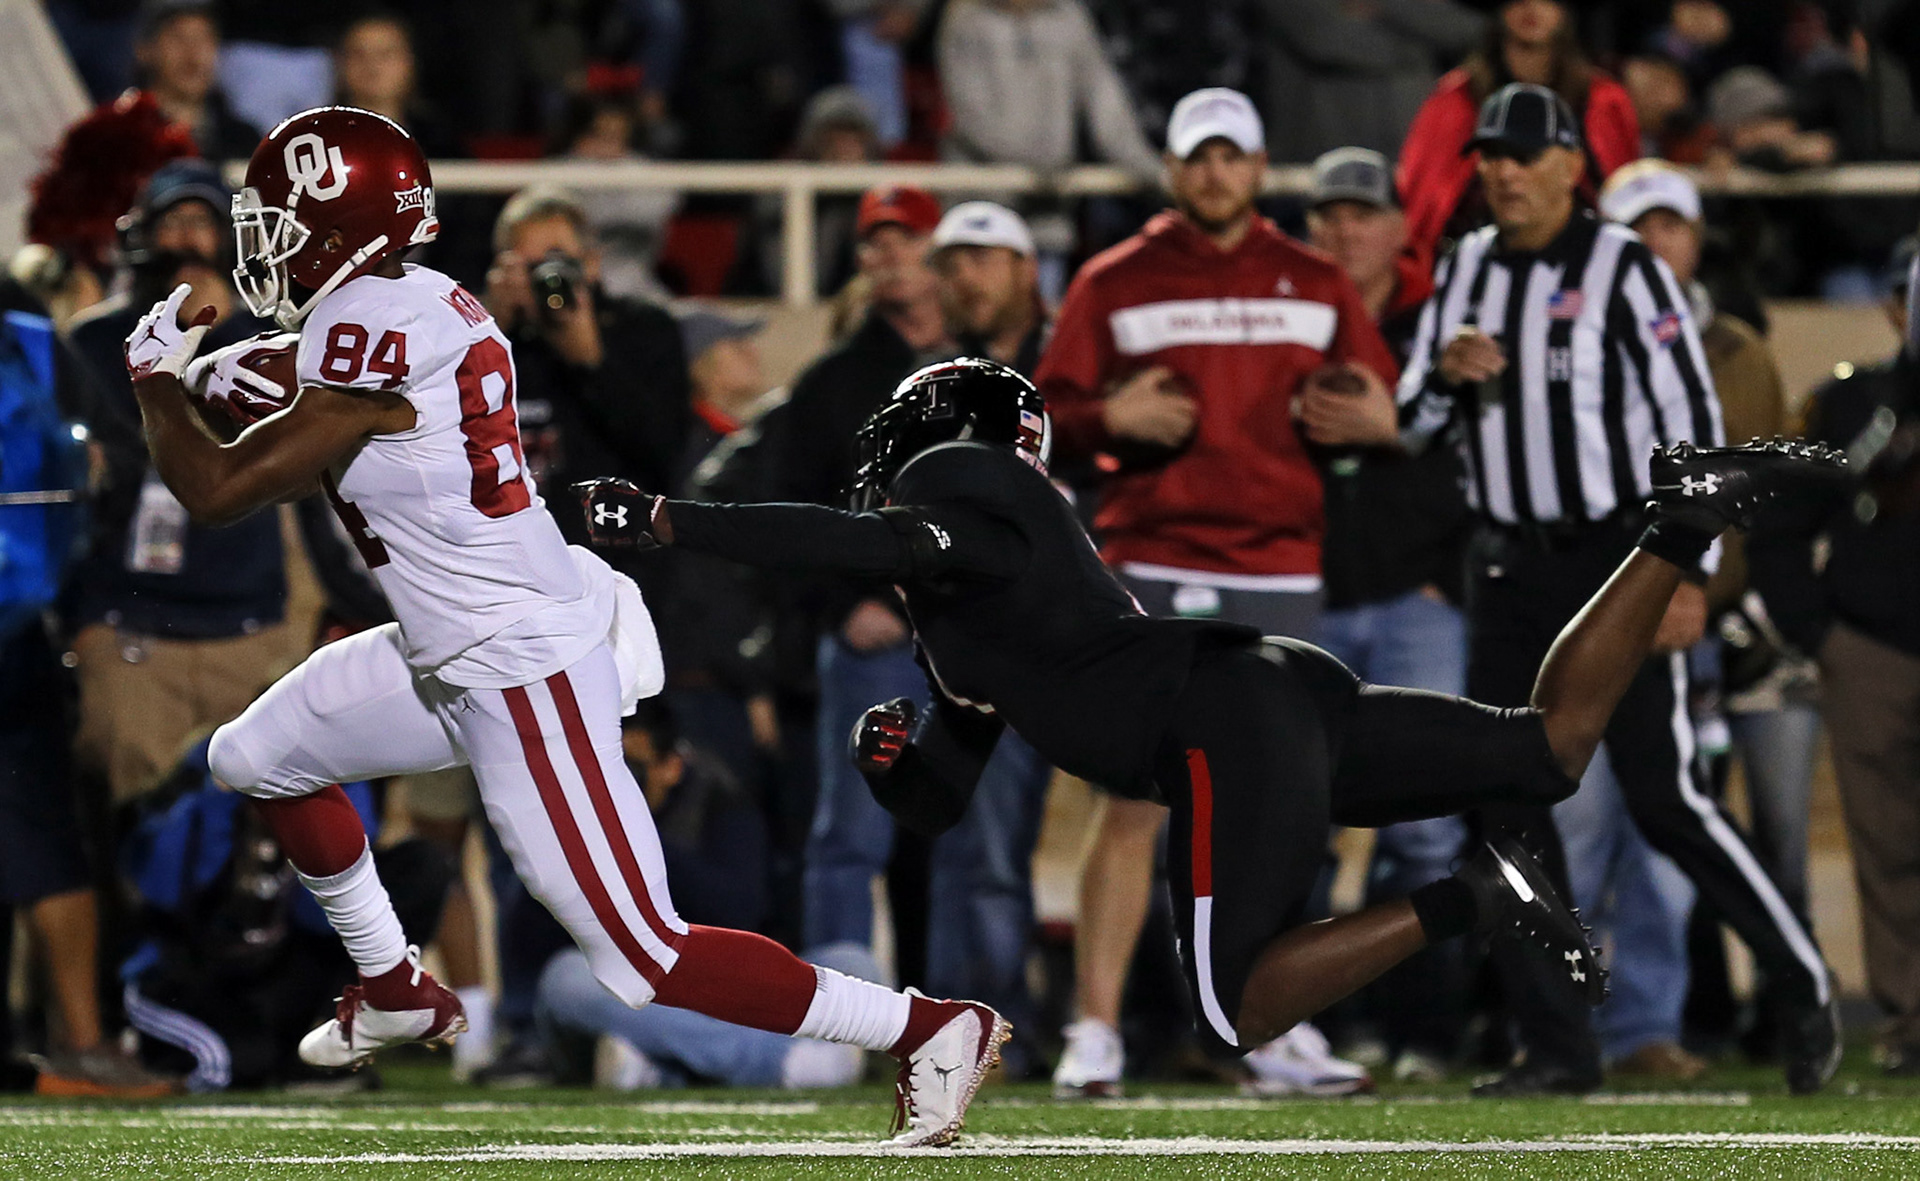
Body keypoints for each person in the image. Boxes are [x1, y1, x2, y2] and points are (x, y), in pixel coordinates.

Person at [576, 359, 1847, 1101]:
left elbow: (876, 538)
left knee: (1232, 1012)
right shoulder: (967, 607)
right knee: (1544, 748)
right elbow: (945, 795)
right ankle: (1681, 520)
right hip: (1261, 692)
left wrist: (672, 520)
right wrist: (894, 762)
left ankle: (1478, 891)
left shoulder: (953, 489)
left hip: (1214, 719)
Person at [122, 106, 1008, 1147]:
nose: (262, 242)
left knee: (641, 953)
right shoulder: (385, 306)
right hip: (457, 640)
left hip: (519, 657)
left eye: (279, 219)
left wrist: (157, 383)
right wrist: (220, 369)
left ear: (338, 226)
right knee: (257, 754)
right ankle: (393, 979)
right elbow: (301, 377)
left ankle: (929, 1025)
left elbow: (218, 485)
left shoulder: (372, 324)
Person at [1334, 83, 1837, 1095]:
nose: (1504, 171)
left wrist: (1684, 568)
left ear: (1572, 165)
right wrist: (1445, 376)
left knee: (1665, 796)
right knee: (1506, 807)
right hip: (1506, 565)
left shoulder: (1625, 267)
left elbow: (1689, 416)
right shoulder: (1467, 263)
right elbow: (1422, 420)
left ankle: (1804, 983)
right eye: (1490, 155)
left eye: (1525, 154)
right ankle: (1558, 1044)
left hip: (1613, 562)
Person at [1035, 87, 1396, 1098]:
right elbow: (1050, 417)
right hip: (1156, 558)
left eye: (1230, 155)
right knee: (1135, 798)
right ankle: (1096, 1026)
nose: (1214, 173)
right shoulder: (1116, 278)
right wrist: (1110, 414)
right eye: (1198, 156)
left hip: (1280, 564)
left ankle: (1270, 1026)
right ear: (1174, 168)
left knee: (1281, 810)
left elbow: (1380, 401)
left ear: (1259, 163)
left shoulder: (1320, 280)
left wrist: (1374, 422)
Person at [1598, 160, 1809, 1077]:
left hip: (1687, 628)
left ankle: (1645, 1024)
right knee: (1565, 827)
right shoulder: (1566, 335)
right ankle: (1558, 1021)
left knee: (1663, 835)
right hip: (1574, 616)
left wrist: (1703, 589)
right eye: (1638, 226)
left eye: (1672, 225)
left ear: (1695, 238)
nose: (1658, 242)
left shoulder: (1738, 354)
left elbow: (1769, 500)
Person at [1300, 147, 1472, 1081]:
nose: (1346, 228)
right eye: (1328, 214)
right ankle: (1324, 1031)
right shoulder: (1289, 323)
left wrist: (1451, 574)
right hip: (1312, 602)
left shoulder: (1446, 325)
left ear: (1403, 227)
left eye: (1363, 212)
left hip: (1419, 601)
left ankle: (1432, 1032)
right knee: (1304, 828)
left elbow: (1488, 455)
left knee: (1426, 833)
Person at [763, 184, 955, 967]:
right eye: (875, 244)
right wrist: (844, 604)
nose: (889, 257)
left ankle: (963, 1009)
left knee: (962, 844)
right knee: (851, 835)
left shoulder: (991, 365)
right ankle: (843, 1022)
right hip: (875, 642)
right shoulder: (834, 382)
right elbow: (788, 507)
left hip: (975, 645)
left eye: (906, 238)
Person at [65, 160, 290, 808]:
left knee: (250, 842)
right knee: (136, 837)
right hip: (132, 633)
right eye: (173, 224)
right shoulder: (96, 340)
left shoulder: (269, 341)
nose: (189, 242)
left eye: (203, 223)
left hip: (253, 634)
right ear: (141, 238)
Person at [1750, 254, 1920, 1076]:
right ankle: (1911, 1022)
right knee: (1886, 842)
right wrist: (1819, 634)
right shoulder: (1851, 401)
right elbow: (1778, 521)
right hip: (1873, 649)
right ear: (1895, 309)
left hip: (1867, 638)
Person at [482, 187, 690, 540]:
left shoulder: (642, 329)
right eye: (530, 267)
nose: (546, 281)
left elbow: (665, 451)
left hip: (618, 550)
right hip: (513, 550)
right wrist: (487, 332)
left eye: (558, 262)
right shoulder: (489, 343)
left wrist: (592, 361)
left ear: (591, 264)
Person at [1395, 0, 1640, 273]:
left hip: (1590, 265)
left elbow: (1630, 199)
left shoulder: (1603, 100)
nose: (1531, 9)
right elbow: (1423, 210)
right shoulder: (1455, 99)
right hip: (1471, 265)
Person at [1256, 0, 1485, 162]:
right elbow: (1328, 40)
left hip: (1405, 158)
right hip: (1312, 164)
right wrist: (1422, 49)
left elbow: (1471, 31)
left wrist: (1384, 5)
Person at [132, 0, 259, 163]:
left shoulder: (244, 139)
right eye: (177, 37)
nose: (192, 53)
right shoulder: (122, 137)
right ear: (144, 50)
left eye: (204, 38)